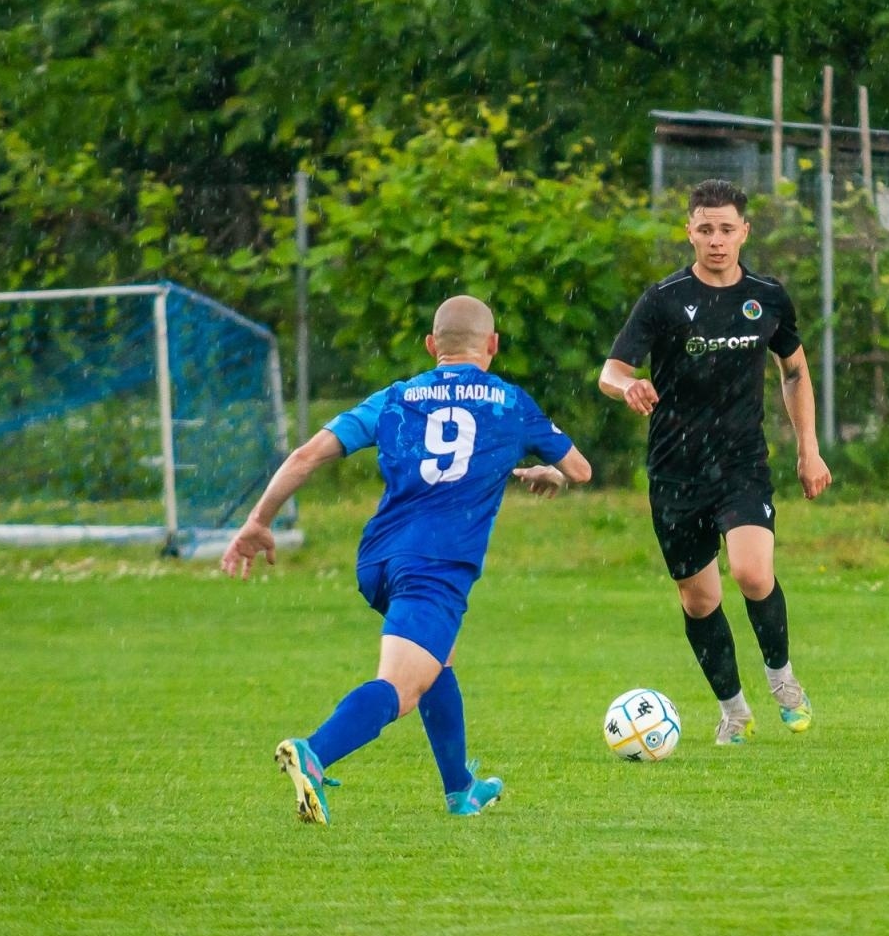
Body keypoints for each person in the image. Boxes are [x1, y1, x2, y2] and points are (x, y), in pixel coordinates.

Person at [222, 294, 592, 824]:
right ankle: (315, 753)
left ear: (430, 346)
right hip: (435, 568)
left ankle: (461, 789)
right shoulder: (510, 403)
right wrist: (548, 472)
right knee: (401, 687)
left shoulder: (396, 397)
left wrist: (258, 521)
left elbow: (306, 455)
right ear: (493, 345)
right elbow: (579, 469)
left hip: (378, 560)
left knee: (439, 659)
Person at [599, 178, 832, 745]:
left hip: (741, 462)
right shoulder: (663, 299)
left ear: (744, 231)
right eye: (705, 229)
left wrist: (809, 448)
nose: (717, 240)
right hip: (675, 470)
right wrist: (626, 387)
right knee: (699, 599)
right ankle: (734, 711)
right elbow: (612, 370)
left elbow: (795, 370)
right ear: (690, 231)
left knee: (753, 573)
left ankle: (783, 680)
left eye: (727, 229)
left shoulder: (767, 297)